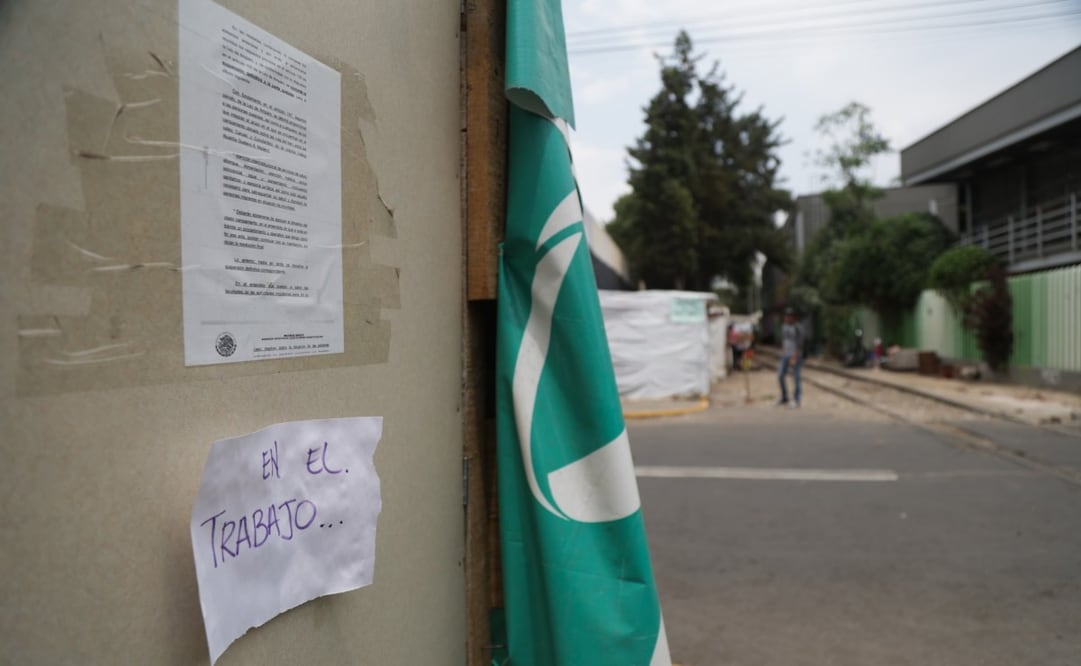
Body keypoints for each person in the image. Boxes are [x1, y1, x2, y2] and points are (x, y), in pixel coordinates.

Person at [777, 308, 803, 408]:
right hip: (785, 355)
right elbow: (784, 341)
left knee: (796, 377)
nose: (787, 318)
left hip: (795, 355)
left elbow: (800, 344)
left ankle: (797, 400)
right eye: (786, 316)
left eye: (789, 316)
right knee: (780, 375)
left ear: (793, 317)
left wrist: (794, 357)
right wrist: (783, 352)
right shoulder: (783, 327)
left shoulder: (797, 328)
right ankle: (784, 397)